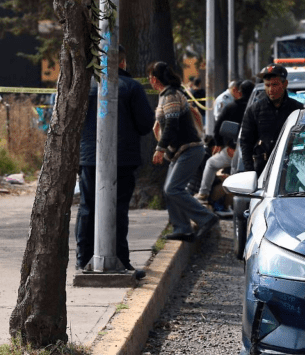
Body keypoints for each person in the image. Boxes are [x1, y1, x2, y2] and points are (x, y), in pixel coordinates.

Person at [77, 45, 155, 275]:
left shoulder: (85, 86)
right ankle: (120, 259)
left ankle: (83, 260)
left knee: (87, 208)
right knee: (118, 209)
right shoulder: (131, 87)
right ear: (122, 63)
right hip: (122, 159)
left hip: (89, 158)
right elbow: (144, 124)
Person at [148, 61, 220, 242]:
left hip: (189, 150)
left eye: (150, 77)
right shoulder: (166, 94)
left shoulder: (171, 95)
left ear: (154, 79)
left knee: (173, 189)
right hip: (179, 152)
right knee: (169, 190)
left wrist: (159, 149)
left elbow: (172, 125)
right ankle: (182, 228)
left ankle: (206, 218)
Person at [195, 79, 255, 203]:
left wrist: (221, 144)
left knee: (211, 163)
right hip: (255, 151)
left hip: (236, 149)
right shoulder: (258, 107)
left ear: (239, 92)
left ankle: (203, 194)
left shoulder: (232, 106)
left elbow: (218, 127)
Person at [240, 64, 302, 175]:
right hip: (262, 170)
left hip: (293, 169)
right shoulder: (254, 110)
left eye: (275, 85)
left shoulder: (298, 109)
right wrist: (250, 172)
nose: (271, 89)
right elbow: (246, 143)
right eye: (267, 85)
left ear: (285, 84)